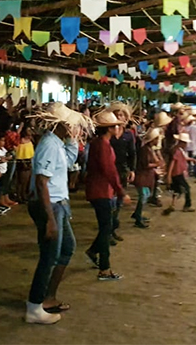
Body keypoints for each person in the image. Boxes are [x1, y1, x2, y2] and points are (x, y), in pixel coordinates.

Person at [25, 102, 91, 325]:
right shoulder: (49, 145)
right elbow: (41, 182)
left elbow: (69, 162)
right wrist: (50, 220)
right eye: (70, 125)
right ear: (60, 124)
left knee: (66, 248)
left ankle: (47, 297)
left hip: (57, 203)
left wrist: (73, 140)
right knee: (50, 255)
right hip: (51, 205)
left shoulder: (56, 143)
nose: (72, 127)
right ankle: (35, 306)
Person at [85, 111, 131, 281]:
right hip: (101, 191)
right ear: (110, 128)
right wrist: (121, 191)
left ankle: (93, 252)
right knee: (105, 228)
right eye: (116, 125)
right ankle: (104, 268)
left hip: (101, 190)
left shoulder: (101, 143)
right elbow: (109, 170)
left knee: (107, 226)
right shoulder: (102, 145)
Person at [107, 103, 136, 244]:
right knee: (109, 202)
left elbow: (132, 154)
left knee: (118, 202)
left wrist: (132, 169)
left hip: (122, 170)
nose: (119, 117)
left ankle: (112, 229)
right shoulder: (109, 134)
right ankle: (108, 231)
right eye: (117, 115)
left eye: (122, 115)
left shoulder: (128, 135)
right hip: (109, 170)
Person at [133, 128, 162, 228]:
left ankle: (137, 214)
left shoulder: (148, 149)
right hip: (143, 176)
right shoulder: (145, 150)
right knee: (143, 197)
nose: (158, 141)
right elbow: (145, 164)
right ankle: (138, 218)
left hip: (146, 176)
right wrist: (156, 164)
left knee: (144, 196)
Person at [164, 133, 196, 214]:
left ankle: (172, 205)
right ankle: (187, 205)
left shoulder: (178, 150)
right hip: (177, 173)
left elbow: (184, 158)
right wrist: (168, 175)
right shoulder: (177, 151)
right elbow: (172, 163)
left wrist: (191, 159)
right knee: (187, 188)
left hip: (176, 173)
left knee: (176, 189)